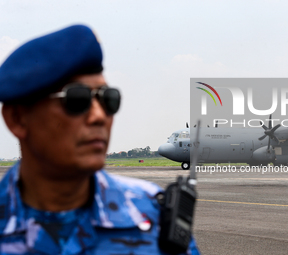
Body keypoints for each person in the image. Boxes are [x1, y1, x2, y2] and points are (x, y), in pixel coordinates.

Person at [0, 25, 200, 254]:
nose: (99, 116)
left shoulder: (153, 216)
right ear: (17, 118)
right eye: (76, 99)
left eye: (108, 99)